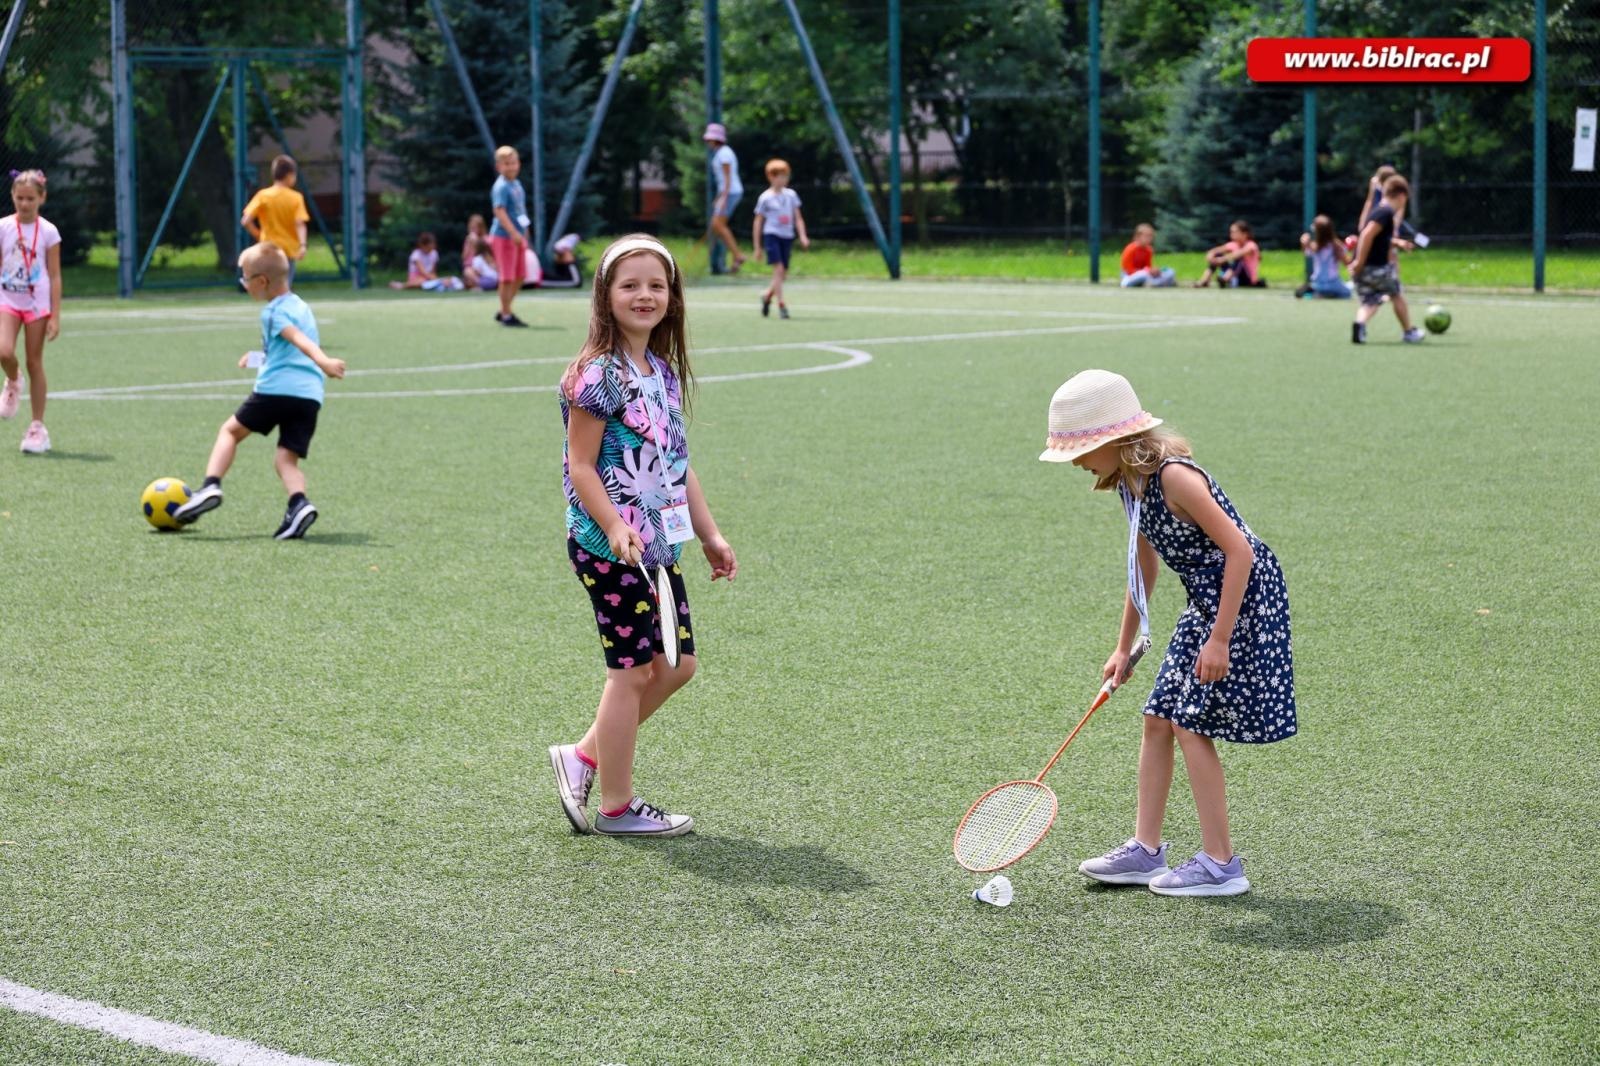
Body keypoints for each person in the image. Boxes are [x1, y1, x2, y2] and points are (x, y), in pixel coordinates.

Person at [1040, 369, 1295, 896]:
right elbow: (1143, 571)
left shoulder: (1176, 478)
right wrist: (1123, 646)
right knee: (1158, 717)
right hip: (1206, 601)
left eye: (1081, 451)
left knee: (1187, 722)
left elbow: (1241, 551)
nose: (1079, 464)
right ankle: (1145, 851)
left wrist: (1220, 638)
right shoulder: (1131, 486)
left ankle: (1221, 864)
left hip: (1242, 599)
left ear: (1115, 440)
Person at [548, 234, 738, 837]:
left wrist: (708, 533)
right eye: (630, 284)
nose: (644, 295)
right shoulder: (594, 376)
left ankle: (582, 755)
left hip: (656, 546)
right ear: (605, 296)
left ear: (673, 298)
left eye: (656, 285)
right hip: (608, 548)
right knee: (630, 673)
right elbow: (581, 466)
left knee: (676, 666)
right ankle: (615, 807)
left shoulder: (661, 373)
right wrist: (613, 524)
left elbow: (678, 465)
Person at [173, 243, 346, 539]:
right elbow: (286, 349)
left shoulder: (272, 312)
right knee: (285, 459)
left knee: (230, 432)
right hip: (309, 397)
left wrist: (324, 360)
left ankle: (211, 485)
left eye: (245, 278)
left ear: (262, 281)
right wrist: (255, 358)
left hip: (275, 391)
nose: (243, 284)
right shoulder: (301, 306)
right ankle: (299, 504)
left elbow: (299, 341)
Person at [0, 169, 63, 455]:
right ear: (12, 196)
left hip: (37, 303)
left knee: (34, 362)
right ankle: (13, 380)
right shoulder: (3, 227)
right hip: (7, 298)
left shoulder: (49, 231)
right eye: (19, 198)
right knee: (4, 352)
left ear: (42, 198)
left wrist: (55, 315)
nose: (24, 204)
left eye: (30, 199)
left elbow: (54, 274)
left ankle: (37, 427)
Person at [1350, 175, 1424, 345]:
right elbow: (1366, 235)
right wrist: (1360, 262)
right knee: (1396, 294)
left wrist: (1398, 242)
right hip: (1374, 266)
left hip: (1363, 270)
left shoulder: (1378, 211)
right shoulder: (1385, 213)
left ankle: (1359, 324)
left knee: (1371, 300)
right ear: (1401, 196)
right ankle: (1408, 332)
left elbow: (1378, 238)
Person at [752, 159, 809, 318]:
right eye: (779, 176)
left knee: (782, 274)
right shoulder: (765, 198)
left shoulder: (791, 195)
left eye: (785, 176)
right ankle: (782, 304)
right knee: (778, 269)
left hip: (787, 236)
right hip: (772, 235)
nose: (783, 180)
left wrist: (803, 236)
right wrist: (757, 247)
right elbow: (758, 222)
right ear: (771, 177)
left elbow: (798, 218)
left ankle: (767, 295)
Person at [242, 155, 310, 283]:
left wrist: (259, 235)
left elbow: (246, 221)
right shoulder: (295, 198)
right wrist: (302, 245)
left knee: (270, 285)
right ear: (290, 175)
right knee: (284, 285)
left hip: (268, 248)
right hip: (287, 250)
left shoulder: (263, 195)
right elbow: (300, 224)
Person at [489, 146, 530, 326]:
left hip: (518, 237)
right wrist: (513, 232)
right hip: (504, 237)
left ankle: (504, 309)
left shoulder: (517, 184)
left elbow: (520, 211)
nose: (511, 167)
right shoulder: (501, 186)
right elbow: (499, 211)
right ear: (499, 166)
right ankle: (506, 314)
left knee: (520, 275)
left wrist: (525, 231)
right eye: (506, 164)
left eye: (513, 163)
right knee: (507, 277)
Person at [702, 123, 746, 274]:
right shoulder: (721, 152)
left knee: (717, 224)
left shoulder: (724, 154)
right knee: (717, 225)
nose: (708, 142)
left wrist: (724, 197)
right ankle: (734, 256)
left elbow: (727, 178)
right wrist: (719, 196)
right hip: (728, 192)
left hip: (731, 192)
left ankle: (737, 255)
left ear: (716, 139)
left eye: (710, 139)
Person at [1295, 215, 1352, 299]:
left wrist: (1303, 243)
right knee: (1347, 293)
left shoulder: (1315, 246)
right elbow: (1347, 262)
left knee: (1312, 291)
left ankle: (1313, 294)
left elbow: (1306, 253)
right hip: (1333, 283)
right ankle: (1328, 294)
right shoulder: (1336, 246)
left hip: (1318, 284)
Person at [1193, 220, 1263, 288]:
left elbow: (1239, 254)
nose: (1231, 234)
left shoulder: (1251, 245)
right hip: (1235, 276)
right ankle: (1204, 280)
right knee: (1218, 256)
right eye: (1231, 232)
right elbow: (1216, 251)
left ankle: (1225, 278)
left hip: (1247, 279)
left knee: (1238, 258)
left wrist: (1221, 259)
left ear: (1245, 234)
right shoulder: (1233, 244)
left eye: (1235, 232)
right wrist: (1211, 255)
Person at [390, 232, 462, 291]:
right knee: (422, 281)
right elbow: (422, 272)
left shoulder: (434, 253)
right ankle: (402, 285)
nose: (431, 248)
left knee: (447, 280)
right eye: (429, 247)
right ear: (422, 245)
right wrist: (437, 280)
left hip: (429, 277)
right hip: (417, 277)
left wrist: (436, 279)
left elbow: (433, 271)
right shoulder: (416, 254)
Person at [1118, 223, 1175, 288]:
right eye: (1147, 236)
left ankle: (1155, 283)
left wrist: (1153, 271)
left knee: (1169, 271)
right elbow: (1128, 270)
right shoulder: (1130, 249)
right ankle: (1158, 283)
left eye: (1151, 236)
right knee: (1143, 275)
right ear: (1137, 237)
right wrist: (1146, 271)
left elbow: (1148, 266)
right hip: (1129, 277)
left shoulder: (1149, 250)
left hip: (1145, 274)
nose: (1150, 238)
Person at [461, 214, 495, 290]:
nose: (473, 229)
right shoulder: (468, 240)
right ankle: (480, 285)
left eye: (475, 227)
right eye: (471, 227)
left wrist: (476, 242)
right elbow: (464, 257)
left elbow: (486, 255)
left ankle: (483, 285)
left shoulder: (486, 239)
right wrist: (469, 245)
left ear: (480, 227)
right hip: (471, 267)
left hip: (484, 267)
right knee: (467, 272)